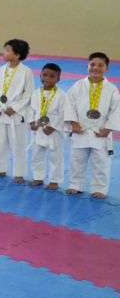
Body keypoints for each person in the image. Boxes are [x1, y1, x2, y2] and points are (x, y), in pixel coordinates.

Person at [64, 52, 120, 199]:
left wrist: (107, 129)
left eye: (100, 65)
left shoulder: (112, 89)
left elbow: (116, 110)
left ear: (107, 68)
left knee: (101, 162)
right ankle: (75, 185)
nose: (96, 68)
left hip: (100, 131)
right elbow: (69, 104)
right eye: (92, 64)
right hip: (80, 130)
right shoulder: (78, 86)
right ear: (87, 66)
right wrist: (73, 123)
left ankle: (99, 188)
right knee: (76, 160)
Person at [0, 39, 34, 182]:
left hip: (16, 114)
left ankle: (19, 173)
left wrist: (15, 108)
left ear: (17, 55)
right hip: (1, 112)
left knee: (18, 144)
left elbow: (28, 94)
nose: (4, 53)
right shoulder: (2, 69)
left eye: (8, 50)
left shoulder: (27, 72)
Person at [28, 63, 65, 189]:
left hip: (53, 131)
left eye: (52, 76)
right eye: (44, 75)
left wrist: (53, 126)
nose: (47, 78)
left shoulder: (61, 95)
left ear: (58, 79)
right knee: (36, 154)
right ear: (40, 75)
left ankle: (54, 181)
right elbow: (31, 109)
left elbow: (63, 113)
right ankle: (38, 177)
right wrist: (31, 121)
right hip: (38, 128)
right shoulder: (35, 93)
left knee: (55, 156)